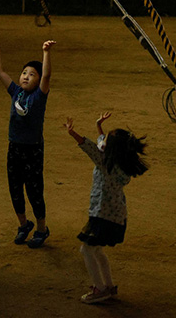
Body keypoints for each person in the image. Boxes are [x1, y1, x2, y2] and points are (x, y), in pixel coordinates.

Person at [64, 111, 148, 304]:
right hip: (117, 216)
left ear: (111, 149)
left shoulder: (105, 162)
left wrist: (72, 133)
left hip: (102, 215)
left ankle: (100, 289)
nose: (104, 140)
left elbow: (91, 147)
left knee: (86, 250)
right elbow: (101, 143)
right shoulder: (119, 161)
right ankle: (109, 287)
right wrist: (98, 126)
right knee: (97, 251)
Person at [0, 31, 55, 248]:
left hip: (32, 150)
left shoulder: (39, 96)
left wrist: (45, 53)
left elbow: (46, 76)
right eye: (24, 72)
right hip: (14, 147)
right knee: (14, 188)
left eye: (31, 74)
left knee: (34, 190)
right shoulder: (15, 92)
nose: (26, 76)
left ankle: (41, 229)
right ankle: (24, 224)